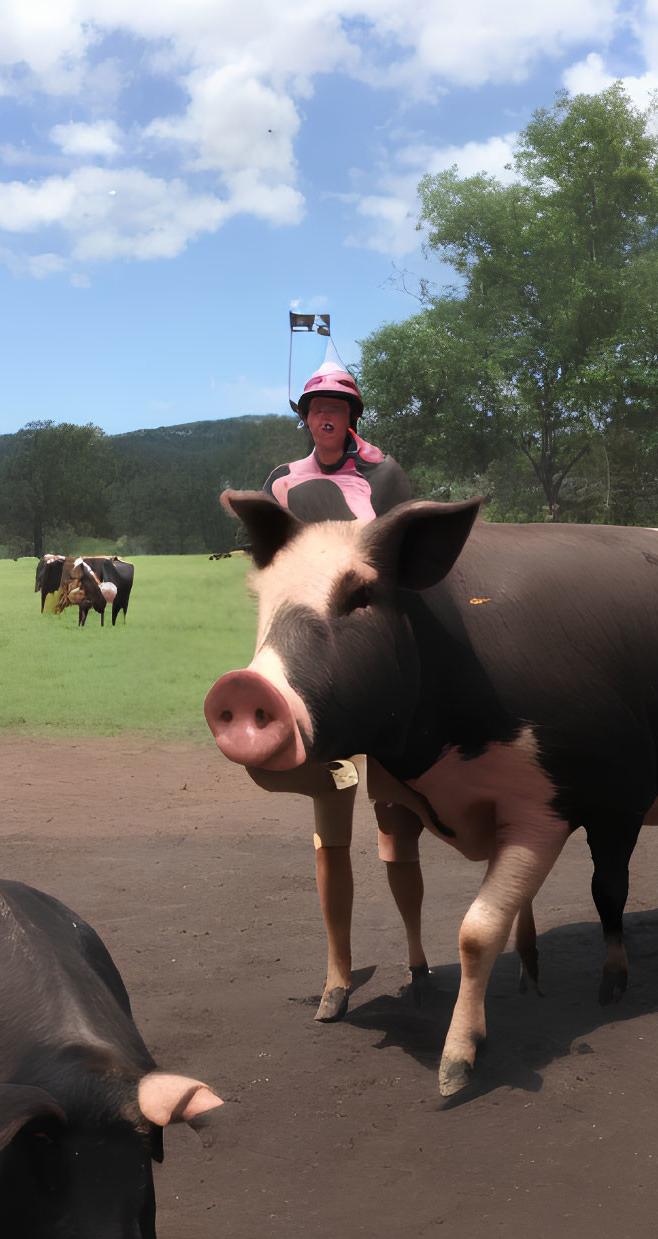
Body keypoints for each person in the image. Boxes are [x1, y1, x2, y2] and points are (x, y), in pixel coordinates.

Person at [248, 362, 429, 1022]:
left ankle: (415, 955)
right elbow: (269, 569)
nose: (326, 415)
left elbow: (405, 573)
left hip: (373, 681)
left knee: (394, 831)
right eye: (317, 406)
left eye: (338, 406)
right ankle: (337, 970)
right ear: (305, 415)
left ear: (353, 416)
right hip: (313, 683)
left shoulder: (385, 477)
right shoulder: (281, 482)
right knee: (329, 837)